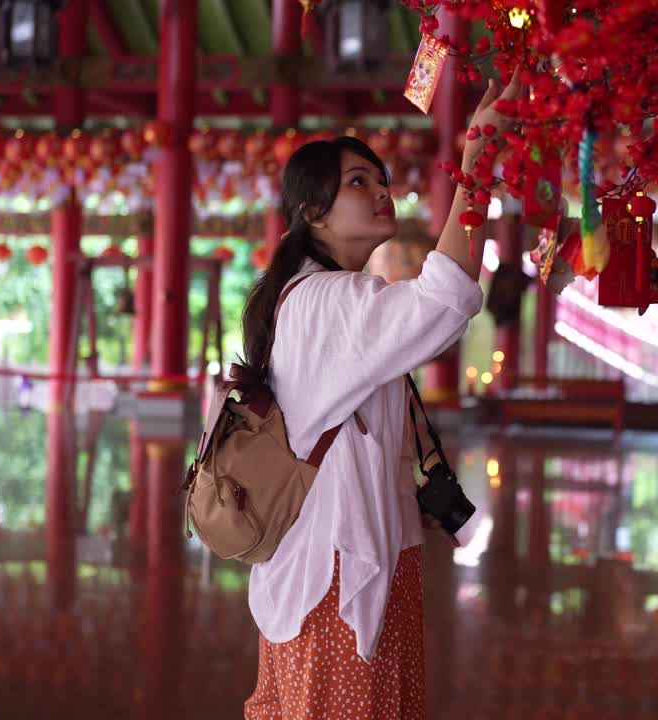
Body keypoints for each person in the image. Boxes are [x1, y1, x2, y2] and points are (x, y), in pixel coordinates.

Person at [241, 74, 521, 720]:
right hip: (337, 570)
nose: (380, 191)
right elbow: (444, 298)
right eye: (357, 182)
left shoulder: (321, 297)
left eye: (380, 178)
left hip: (350, 557)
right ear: (313, 212)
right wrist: (476, 159)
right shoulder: (323, 300)